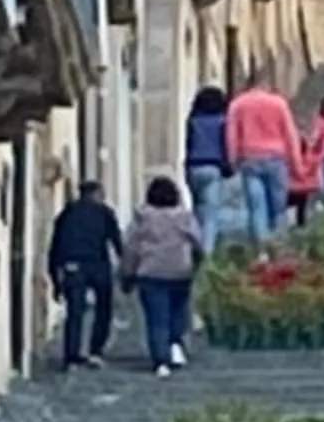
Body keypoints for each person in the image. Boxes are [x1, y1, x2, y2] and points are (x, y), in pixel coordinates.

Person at [124, 177, 204, 373]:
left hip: (150, 273)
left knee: (156, 318)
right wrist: (196, 263)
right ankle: (174, 344)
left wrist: (127, 274)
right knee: (178, 313)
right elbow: (198, 242)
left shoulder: (142, 219)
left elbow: (131, 248)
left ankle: (161, 360)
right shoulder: (184, 218)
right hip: (179, 271)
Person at [47, 176, 120, 370]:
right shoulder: (104, 213)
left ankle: (71, 356)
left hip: (73, 265)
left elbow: (55, 248)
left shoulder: (67, 213)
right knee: (104, 308)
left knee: (75, 312)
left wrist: (55, 279)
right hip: (98, 265)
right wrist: (126, 268)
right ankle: (95, 351)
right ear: (97, 194)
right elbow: (116, 241)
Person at [225, 71, 302, 245]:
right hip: (276, 158)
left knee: (256, 206)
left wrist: (232, 159)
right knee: (278, 207)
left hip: (250, 158)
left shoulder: (238, 104)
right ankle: (279, 245)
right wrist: (296, 164)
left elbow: (232, 134)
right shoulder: (279, 104)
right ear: (266, 85)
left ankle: (261, 249)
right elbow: (290, 135)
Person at [181, 86, 230, 257]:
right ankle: (207, 252)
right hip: (213, 166)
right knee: (211, 214)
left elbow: (188, 146)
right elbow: (226, 147)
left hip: (194, 167)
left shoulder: (193, 120)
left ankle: (195, 246)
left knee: (198, 210)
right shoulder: (223, 121)